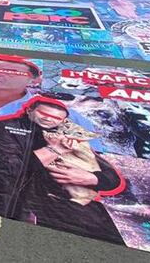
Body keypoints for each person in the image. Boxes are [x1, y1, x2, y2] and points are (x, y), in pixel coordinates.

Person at [14, 98, 124, 242]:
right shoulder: (11, 129)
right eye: (44, 113)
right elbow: (13, 168)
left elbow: (112, 177)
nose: (49, 119)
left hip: (88, 211)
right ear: (30, 110)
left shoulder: (70, 137)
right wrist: (55, 149)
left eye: (57, 117)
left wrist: (91, 178)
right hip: (42, 208)